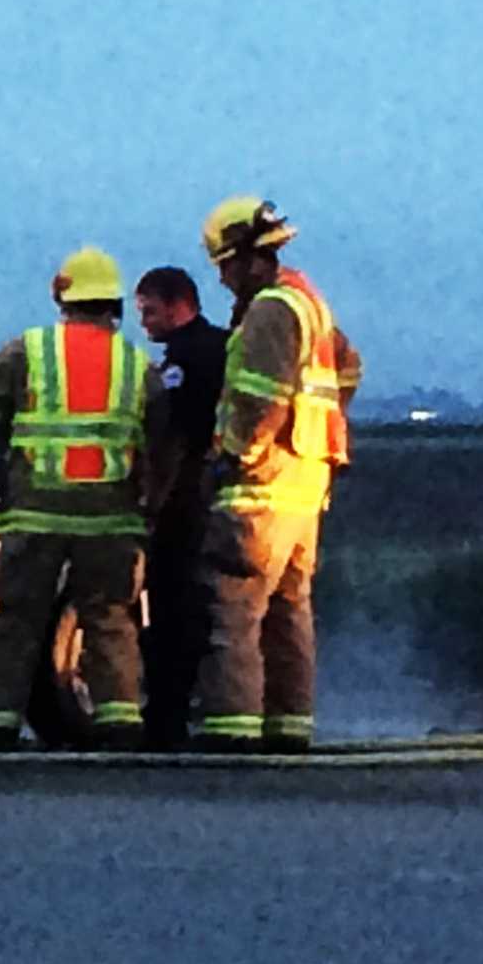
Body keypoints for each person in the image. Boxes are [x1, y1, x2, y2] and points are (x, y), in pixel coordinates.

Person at [0, 248, 167, 750]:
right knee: (110, 618)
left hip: (36, 512)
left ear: (63, 295)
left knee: (17, 619)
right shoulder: (137, 365)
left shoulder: (27, 350)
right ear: (112, 302)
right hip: (111, 518)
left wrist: (3, 473)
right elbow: (160, 440)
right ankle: (118, 722)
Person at [192, 197, 362, 754]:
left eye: (224, 267)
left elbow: (259, 399)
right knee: (291, 608)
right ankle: (290, 726)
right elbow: (349, 368)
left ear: (245, 258)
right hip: (306, 482)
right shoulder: (312, 306)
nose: (221, 280)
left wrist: (233, 455)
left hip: (260, 485)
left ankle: (232, 731)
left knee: (235, 609)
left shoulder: (269, 310)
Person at [134, 265, 228, 750]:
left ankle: (167, 717)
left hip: (185, 501)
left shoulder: (186, 360)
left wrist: (154, 503)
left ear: (177, 304)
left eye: (150, 310)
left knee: (173, 610)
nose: (144, 322)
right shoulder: (221, 345)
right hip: (211, 495)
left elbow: (175, 438)